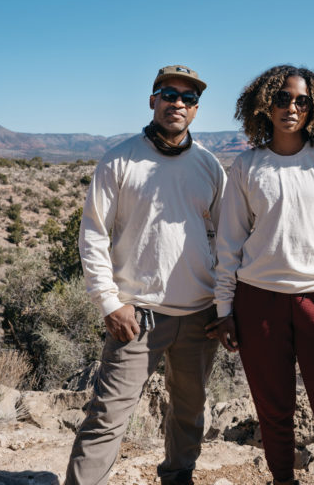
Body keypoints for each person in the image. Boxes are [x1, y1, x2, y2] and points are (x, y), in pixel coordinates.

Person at [66, 64, 226, 485]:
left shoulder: (209, 166)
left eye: (188, 98)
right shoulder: (120, 159)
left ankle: (178, 477)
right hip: (136, 316)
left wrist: (225, 305)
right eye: (169, 94)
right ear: (153, 100)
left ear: (196, 109)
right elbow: (93, 233)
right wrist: (109, 303)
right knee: (107, 417)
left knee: (190, 412)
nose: (178, 103)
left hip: (200, 315)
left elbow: (226, 240)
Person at [205, 65, 314, 485]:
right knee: (274, 416)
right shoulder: (247, 166)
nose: (291, 108)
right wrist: (225, 310)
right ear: (265, 104)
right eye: (282, 98)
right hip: (258, 302)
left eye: (302, 101)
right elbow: (229, 245)